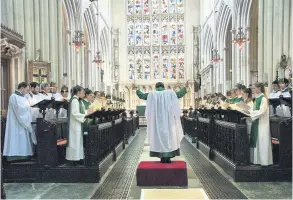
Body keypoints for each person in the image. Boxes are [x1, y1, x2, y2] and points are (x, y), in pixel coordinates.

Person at [144, 82, 184, 163]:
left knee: (158, 138)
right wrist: (185, 89)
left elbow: (142, 95)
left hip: (157, 123)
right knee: (169, 138)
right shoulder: (171, 93)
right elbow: (179, 94)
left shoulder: (151, 94)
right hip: (169, 121)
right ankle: (168, 157)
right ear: (163, 86)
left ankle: (162, 157)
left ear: (156, 87)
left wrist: (137, 90)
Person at [3, 82, 36, 162]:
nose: (27, 91)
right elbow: (19, 110)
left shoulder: (23, 97)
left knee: (23, 139)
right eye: (27, 89)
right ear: (22, 88)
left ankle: (24, 155)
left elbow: (26, 107)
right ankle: (14, 156)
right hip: (16, 122)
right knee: (16, 138)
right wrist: (28, 109)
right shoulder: (13, 97)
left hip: (22, 122)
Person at [66, 86, 92, 165]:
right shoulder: (74, 100)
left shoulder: (76, 100)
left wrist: (86, 113)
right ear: (78, 92)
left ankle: (77, 158)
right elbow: (74, 114)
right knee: (74, 142)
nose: (84, 94)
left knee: (77, 142)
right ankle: (73, 160)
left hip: (77, 123)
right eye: (83, 92)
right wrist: (84, 115)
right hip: (74, 125)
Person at [249, 82, 273, 166]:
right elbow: (253, 109)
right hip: (256, 121)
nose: (253, 90)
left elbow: (262, 111)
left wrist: (251, 114)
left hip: (262, 123)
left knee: (262, 141)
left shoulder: (263, 98)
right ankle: (256, 160)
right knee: (257, 141)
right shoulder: (256, 98)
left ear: (259, 88)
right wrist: (249, 112)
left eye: (254, 88)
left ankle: (263, 161)